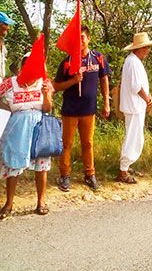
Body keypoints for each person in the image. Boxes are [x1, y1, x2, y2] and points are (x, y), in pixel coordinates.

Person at [0, 54, 53, 220]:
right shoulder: (11, 82)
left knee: (41, 165)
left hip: (38, 128)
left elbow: (47, 108)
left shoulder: (43, 83)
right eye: (27, 66)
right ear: (22, 67)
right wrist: (6, 109)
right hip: (16, 128)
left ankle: (40, 202)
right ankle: (8, 204)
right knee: (13, 165)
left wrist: (46, 95)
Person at [54, 26, 111, 192]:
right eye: (77, 38)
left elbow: (104, 79)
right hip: (70, 111)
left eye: (82, 37)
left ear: (88, 39)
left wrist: (106, 102)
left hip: (89, 110)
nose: (80, 41)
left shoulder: (98, 58)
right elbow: (55, 86)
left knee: (88, 144)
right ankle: (64, 175)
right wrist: (73, 80)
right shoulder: (67, 62)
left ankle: (89, 174)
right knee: (67, 144)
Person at [118, 32, 152, 184]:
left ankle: (126, 166)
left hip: (134, 106)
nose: (148, 51)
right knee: (133, 139)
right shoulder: (133, 62)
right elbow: (136, 86)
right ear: (140, 48)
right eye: (146, 48)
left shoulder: (132, 61)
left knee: (134, 137)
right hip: (134, 106)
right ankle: (123, 170)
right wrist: (147, 97)